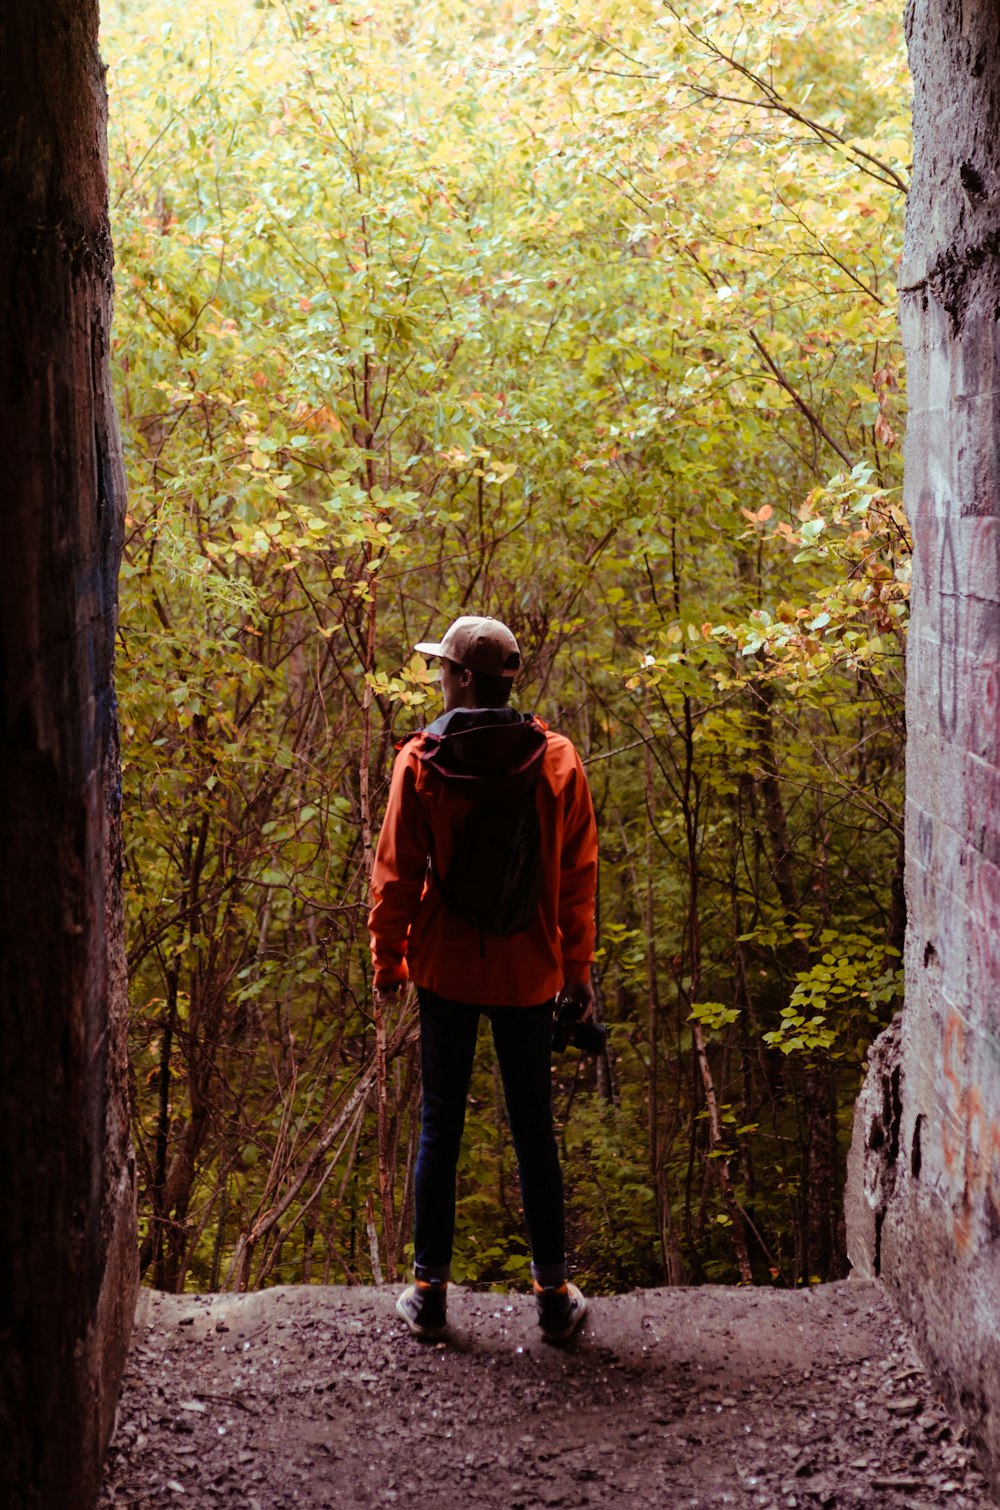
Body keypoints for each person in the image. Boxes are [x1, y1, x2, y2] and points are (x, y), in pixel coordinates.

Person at [368, 614, 598, 1342]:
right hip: (531, 972)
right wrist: (578, 972)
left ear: (464, 678)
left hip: (445, 970)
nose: (437, 675)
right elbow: (576, 882)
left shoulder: (422, 761)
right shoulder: (557, 761)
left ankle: (429, 1295)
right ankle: (553, 1299)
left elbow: (396, 876)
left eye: (444, 667)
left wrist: (388, 961)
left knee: (440, 1124)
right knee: (534, 1131)